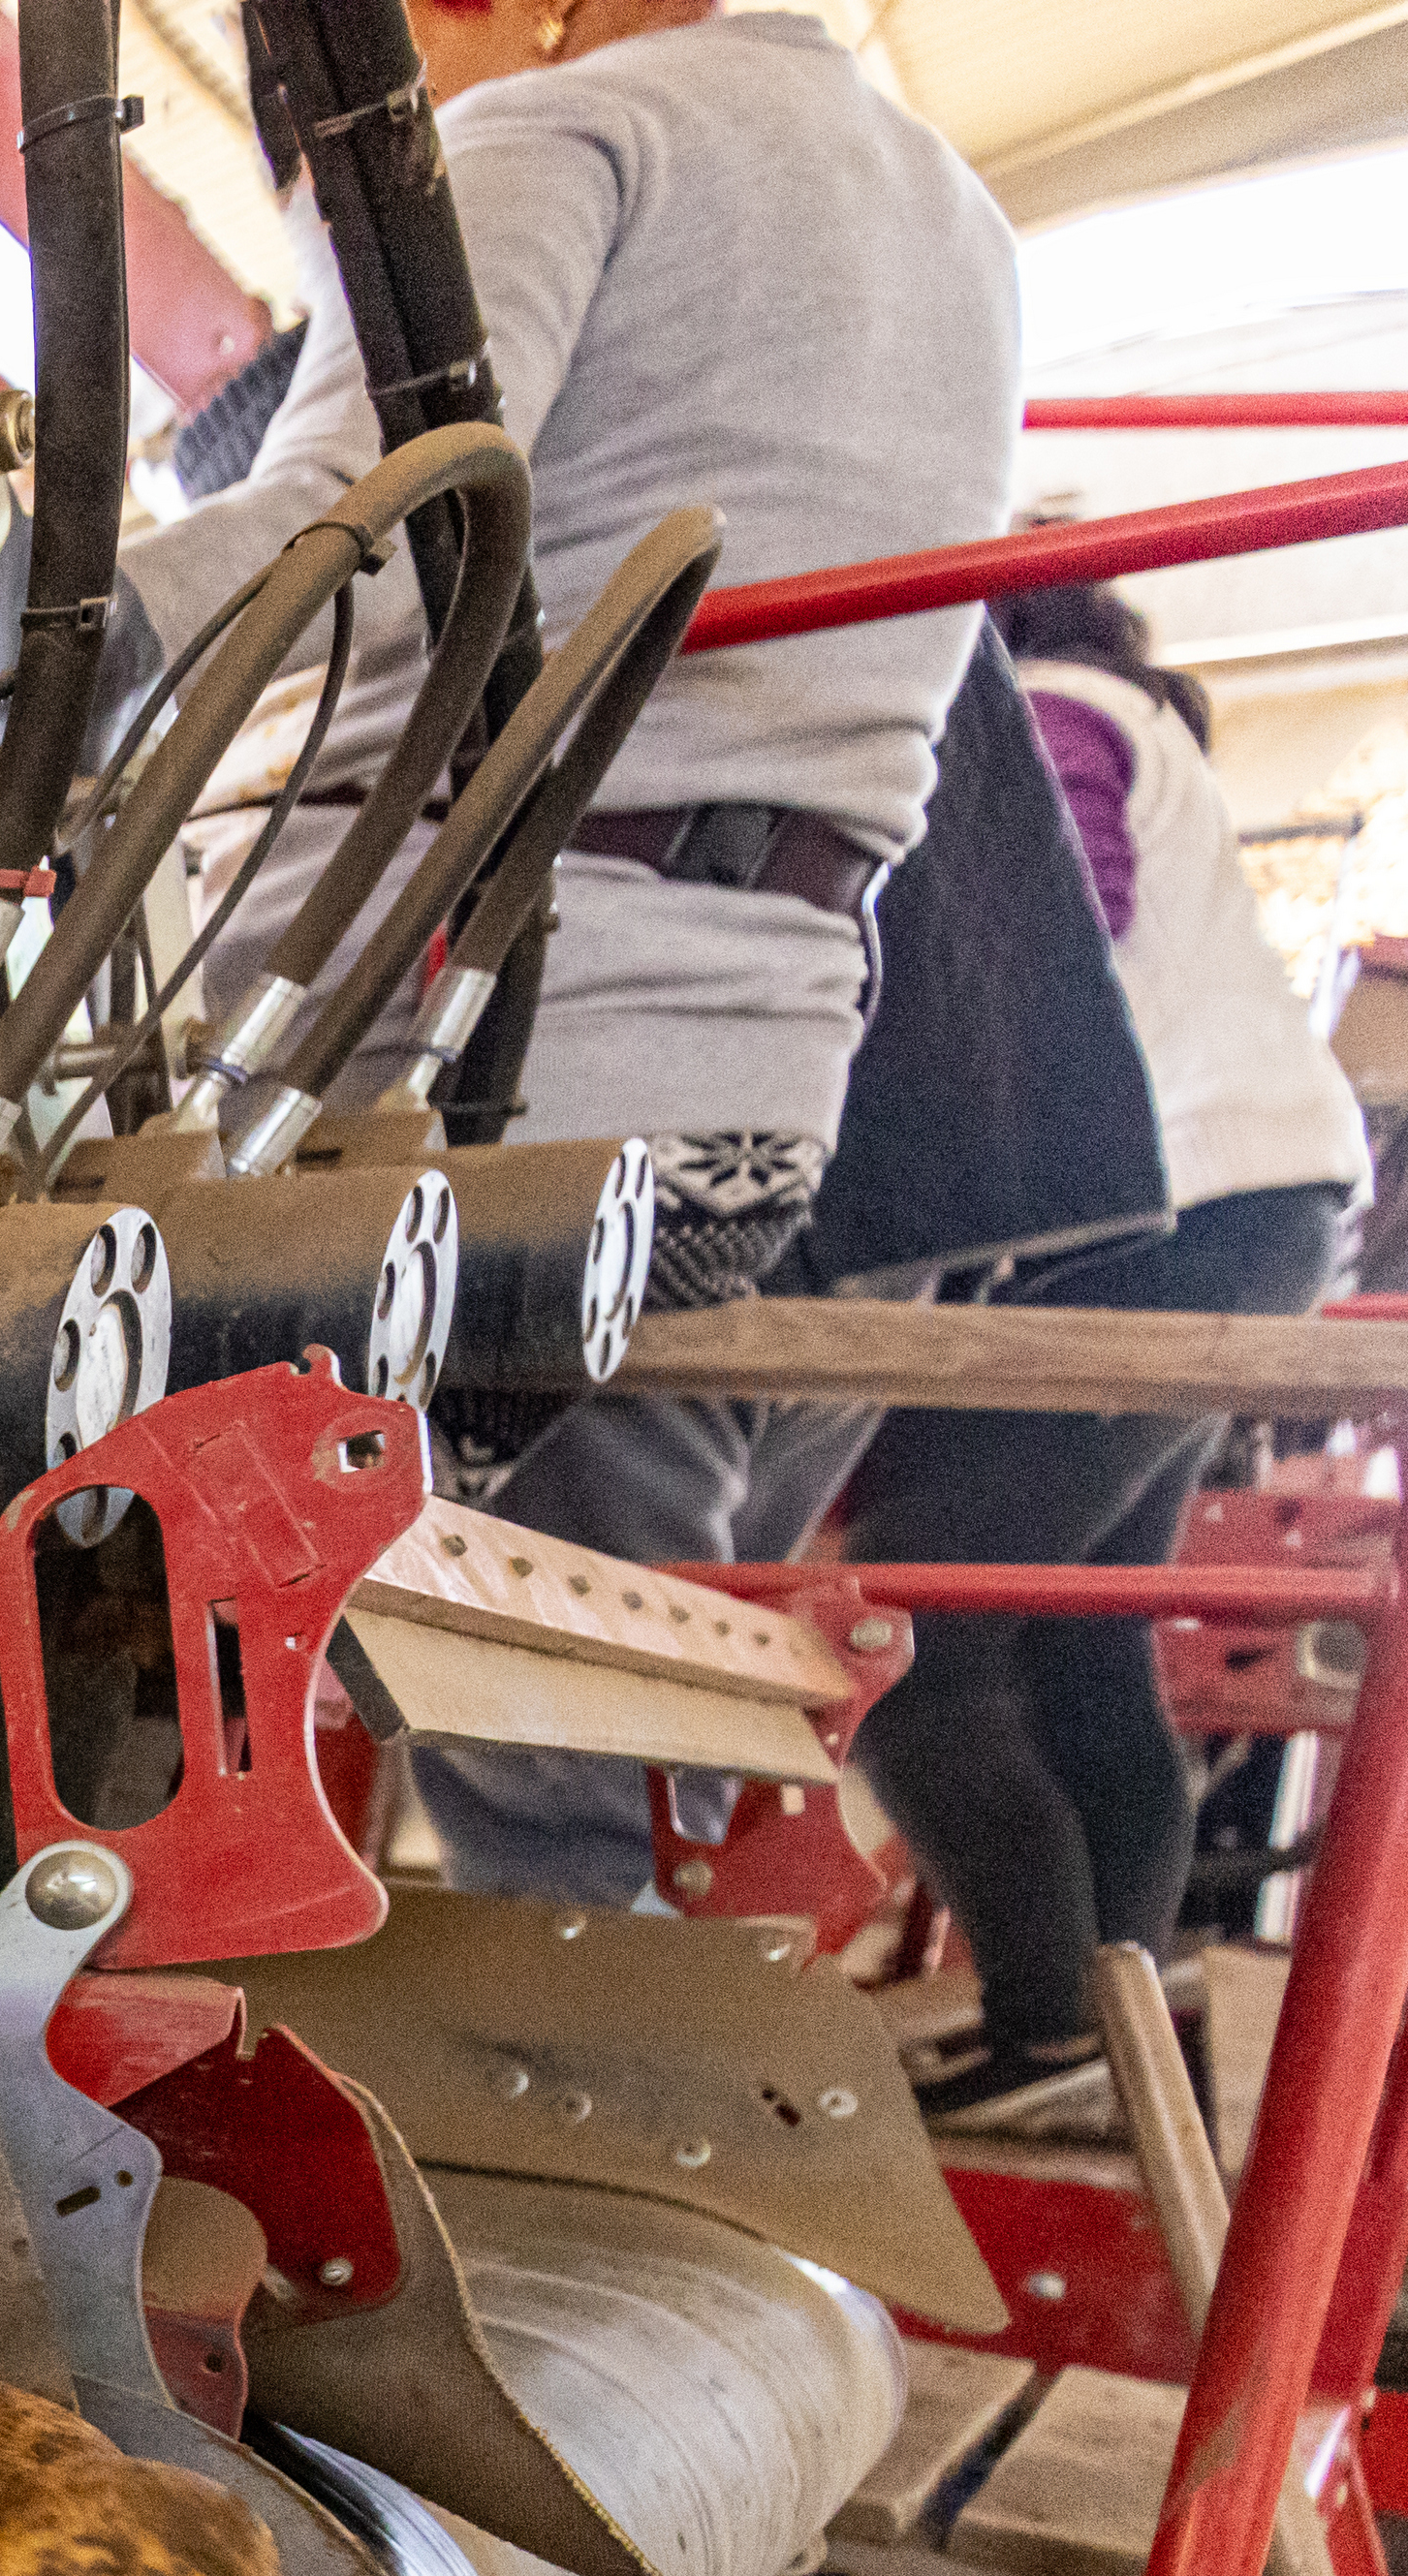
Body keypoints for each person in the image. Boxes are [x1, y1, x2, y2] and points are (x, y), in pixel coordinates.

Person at [114, 0, 1022, 1909]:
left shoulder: (568, 131)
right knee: (540, 1719)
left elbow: (341, 526)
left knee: (70, 1557)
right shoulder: (951, 216)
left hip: (494, 1085)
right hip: (744, 1107)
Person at [839, 579, 1370, 2133]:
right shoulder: (1143, 720)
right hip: (1251, 1207)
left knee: (911, 1626)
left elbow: (1036, 929)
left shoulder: (1051, 705)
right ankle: (1108, 2026)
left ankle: (1049, 2024)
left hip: (1166, 1205)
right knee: (1078, 1643)